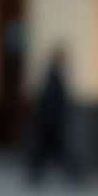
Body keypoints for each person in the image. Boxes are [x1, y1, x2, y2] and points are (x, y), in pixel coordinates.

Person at [27, 46, 80, 187]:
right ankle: (36, 177)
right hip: (51, 122)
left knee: (50, 152)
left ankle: (36, 177)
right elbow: (50, 101)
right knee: (51, 152)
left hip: (51, 122)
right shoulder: (53, 75)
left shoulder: (54, 74)